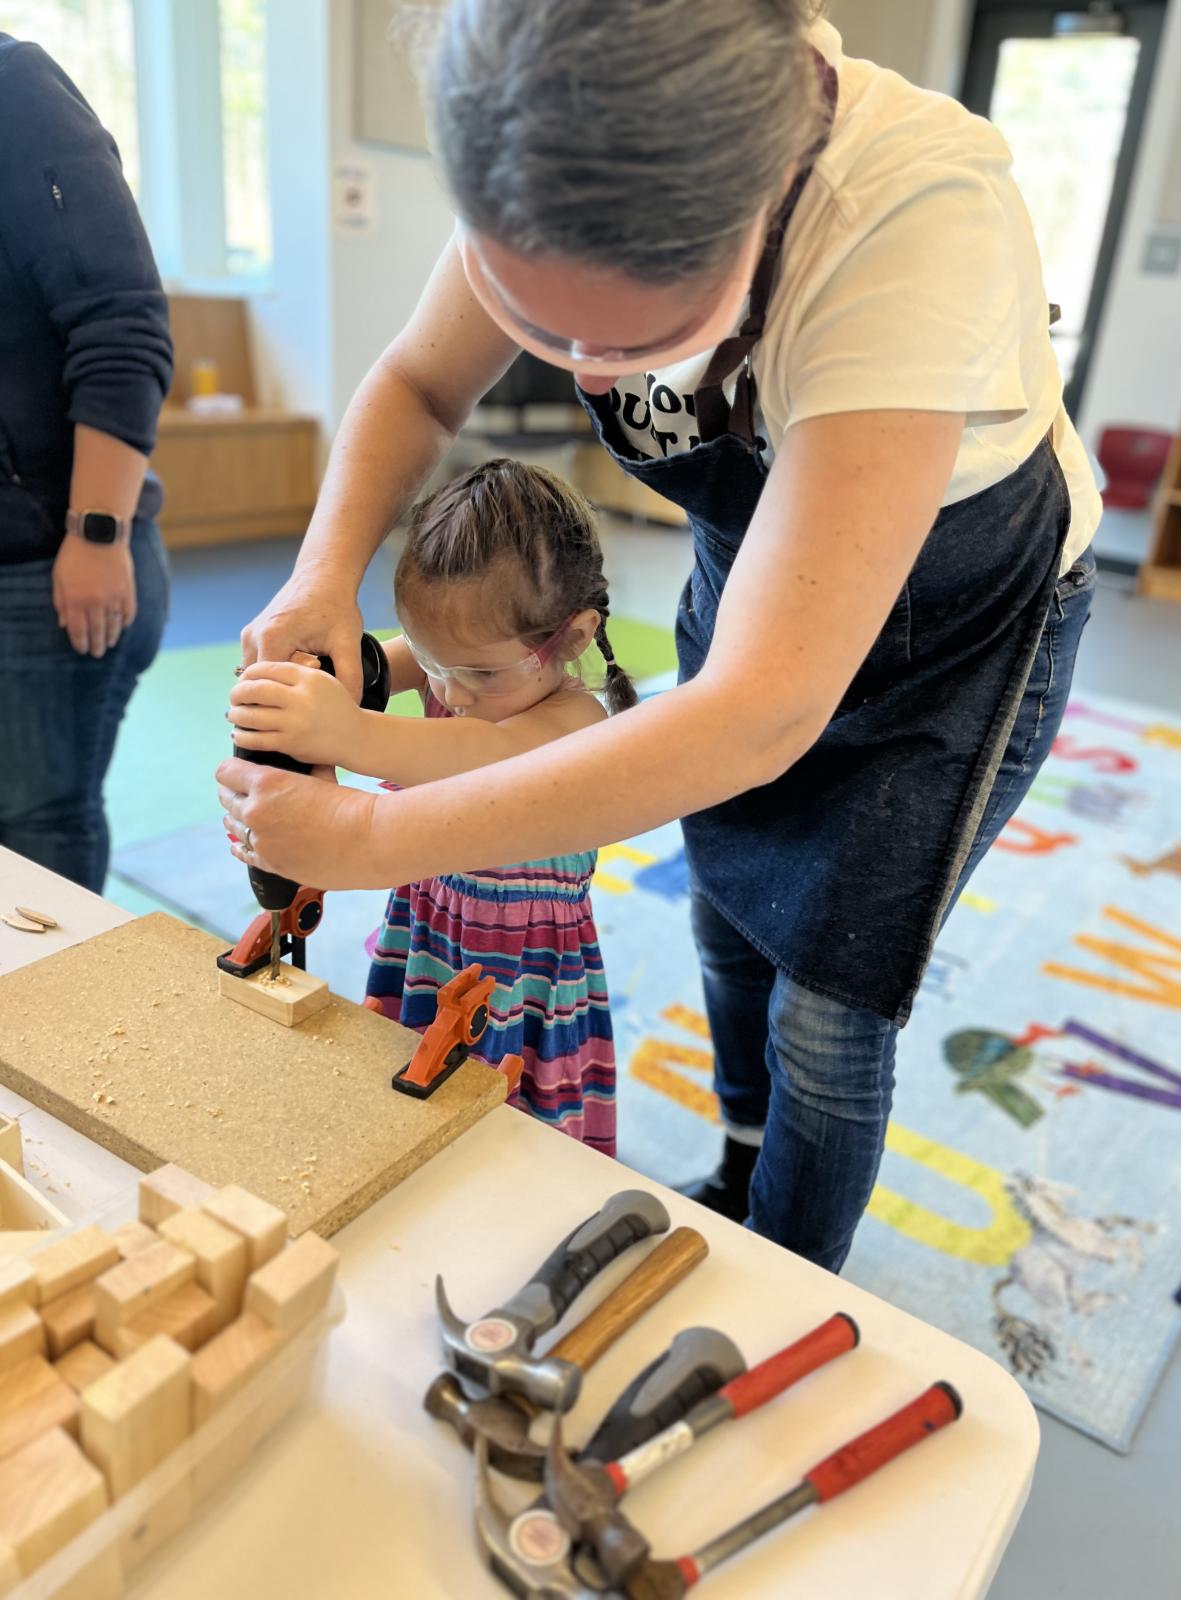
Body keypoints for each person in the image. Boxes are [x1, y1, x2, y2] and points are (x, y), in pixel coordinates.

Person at [219, 0, 1100, 1271]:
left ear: (763, 195)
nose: (582, 366)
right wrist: (318, 580)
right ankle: (744, 1163)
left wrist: (366, 832)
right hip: (763, 593)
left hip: (955, 635)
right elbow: (418, 382)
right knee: (733, 918)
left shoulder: (914, 221)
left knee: (831, 1014)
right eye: (544, 331)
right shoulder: (538, 154)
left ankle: (786, 1272)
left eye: (626, 340)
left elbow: (757, 710)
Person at [228, 459, 635, 1155]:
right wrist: (304, 690)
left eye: (476, 671)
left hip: (520, 975)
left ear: (569, 637)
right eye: (429, 655)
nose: (450, 686)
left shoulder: (576, 726)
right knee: (406, 1097)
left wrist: (344, 731)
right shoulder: (462, 658)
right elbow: (371, 673)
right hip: (428, 932)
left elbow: (481, 758)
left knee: (511, 1141)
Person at [0, 35, 172, 893]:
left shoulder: (14, 87)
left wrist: (96, 532)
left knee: (40, 833)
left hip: (47, 562)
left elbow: (121, 326)